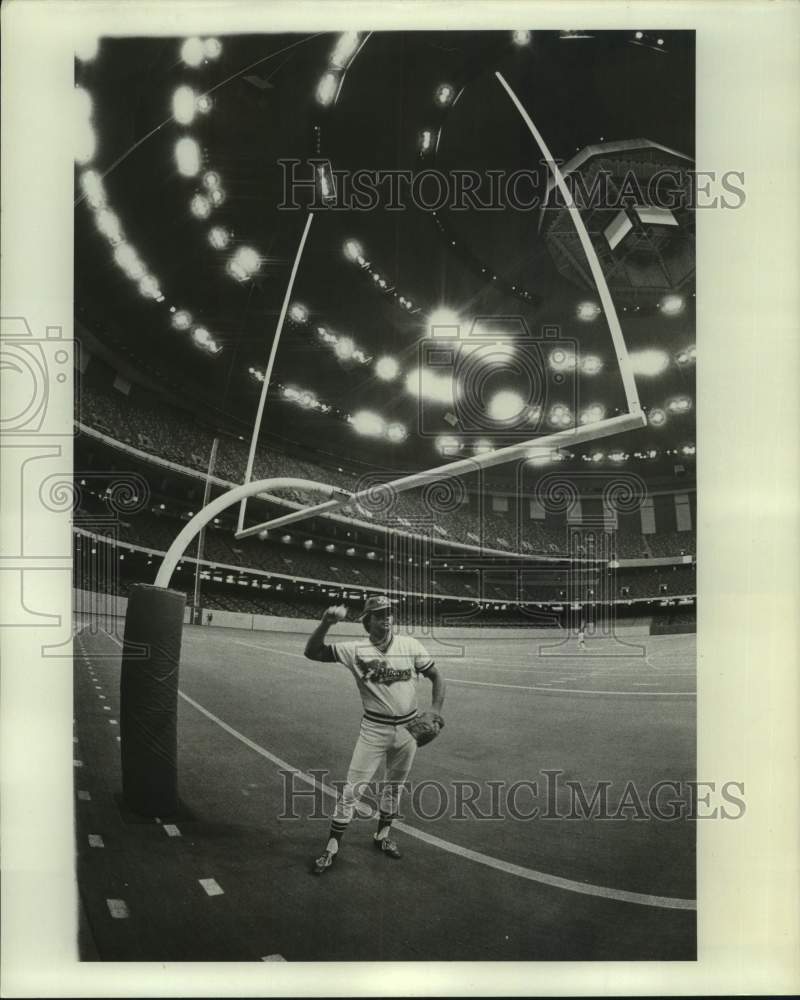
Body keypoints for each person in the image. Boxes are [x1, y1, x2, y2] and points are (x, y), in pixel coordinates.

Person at [304, 594, 446, 875]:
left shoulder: (409, 644)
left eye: (389, 613)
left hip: (408, 730)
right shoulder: (353, 649)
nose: (387, 618)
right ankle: (332, 845)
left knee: (394, 787)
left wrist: (435, 712)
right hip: (374, 729)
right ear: (367, 621)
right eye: (380, 614)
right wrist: (325, 624)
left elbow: (437, 677)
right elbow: (313, 652)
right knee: (352, 790)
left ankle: (382, 836)